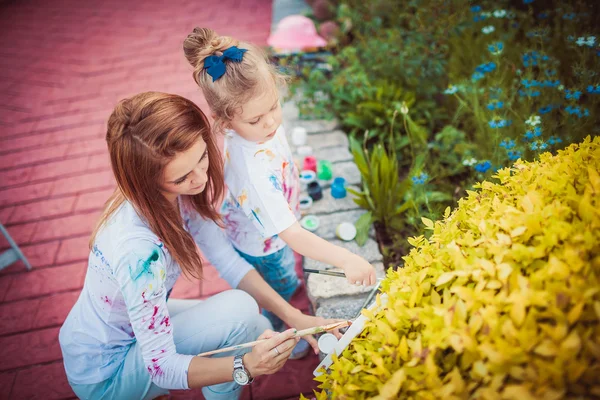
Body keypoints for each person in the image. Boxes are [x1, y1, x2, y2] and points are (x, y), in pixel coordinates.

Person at [59, 92, 338, 400]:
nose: (201, 178)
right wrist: (245, 365)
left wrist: (295, 317)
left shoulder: (175, 196)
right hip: (104, 372)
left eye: (202, 156)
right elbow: (161, 366)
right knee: (241, 316)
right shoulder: (138, 253)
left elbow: (230, 263)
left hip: (124, 331)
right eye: (181, 177)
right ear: (148, 182)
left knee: (255, 324)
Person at [182, 28, 377, 353]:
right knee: (283, 285)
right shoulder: (253, 171)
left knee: (287, 277)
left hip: (266, 224)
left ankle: (284, 315)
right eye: (257, 119)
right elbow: (291, 235)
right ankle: (285, 330)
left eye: (274, 107)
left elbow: (268, 131)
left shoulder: (254, 125)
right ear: (225, 122)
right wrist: (345, 259)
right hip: (264, 245)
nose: (271, 123)